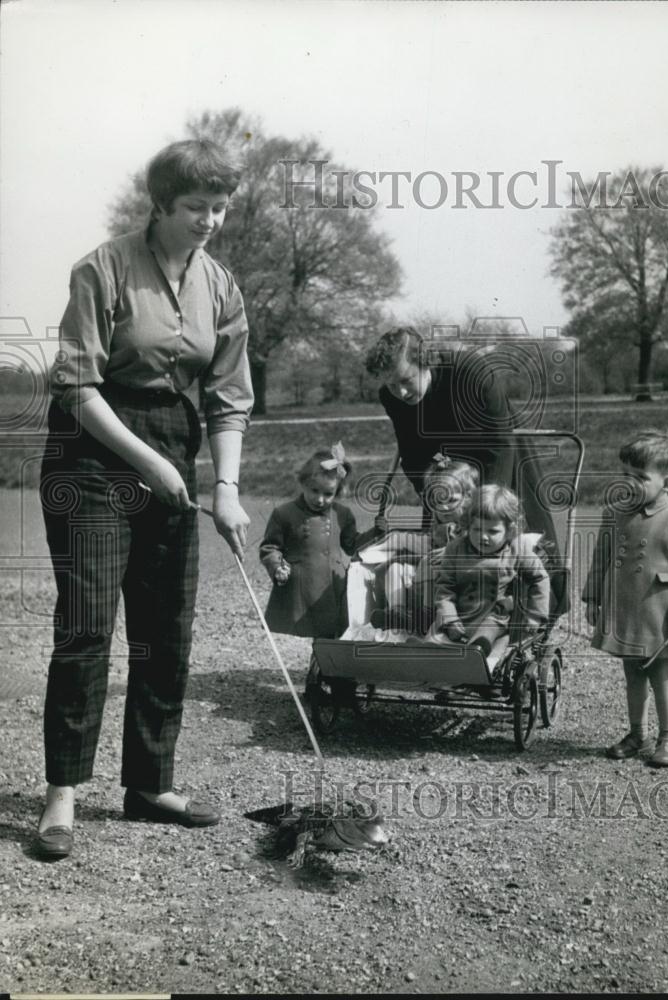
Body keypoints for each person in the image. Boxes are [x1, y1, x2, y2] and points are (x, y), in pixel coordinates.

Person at [36, 139, 254, 860]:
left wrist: (223, 487)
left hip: (173, 438)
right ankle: (63, 795)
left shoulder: (220, 285)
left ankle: (149, 785)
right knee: (89, 625)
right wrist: (151, 465)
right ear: (160, 203)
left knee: (166, 628)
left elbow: (228, 399)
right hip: (93, 447)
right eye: (197, 206)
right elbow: (74, 387)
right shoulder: (101, 268)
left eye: (220, 207)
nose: (211, 220)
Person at [365, 326, 567, 614]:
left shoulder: (471, 373)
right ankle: (445, 617)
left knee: (505, 538)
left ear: (426, 362)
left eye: (406, 380)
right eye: (391, 385)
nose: (401, 391)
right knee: (447, 549)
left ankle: (528, 614)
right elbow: (412, 454)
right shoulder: (393, 398)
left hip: (499, 456)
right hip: (447, 474)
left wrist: (484, 506)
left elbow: (500, 443)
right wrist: (437, 495)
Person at [582, 430, 668, 767]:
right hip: (626, 612)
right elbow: (601, 558)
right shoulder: (615, 513)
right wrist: (593, 599)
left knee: (662, 678)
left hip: (660, 614)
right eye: (625, 475)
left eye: (640, 477)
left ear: (665, 482)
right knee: (632, 676)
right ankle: (638, 734)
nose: (629, 483)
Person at [426, 484, 550, 654]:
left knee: (483, 637)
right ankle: (422, 651)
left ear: (509, 530)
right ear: (468, 525)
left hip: (494, 615)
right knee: (434, 637)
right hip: (460, 613)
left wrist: (535, 615)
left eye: (493, 531)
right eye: (477, 529)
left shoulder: (516, 549)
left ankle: (476, 654)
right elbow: (444, 587)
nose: (483, 536)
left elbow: (540, 578)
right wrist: (449, 618)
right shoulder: (456, 549)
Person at [259, 443, 361, 638]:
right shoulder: (284, 514)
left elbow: (352, 544)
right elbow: (270, 547)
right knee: (315, 626)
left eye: (328, 494)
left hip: (333, 585)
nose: (320, 499)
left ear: (337, 492)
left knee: (334, 627)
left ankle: (326, 662)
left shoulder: (342, 515)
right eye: (314, 490)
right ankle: (320, 662)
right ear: (303, 483)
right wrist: (277, 565)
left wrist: (375, 533)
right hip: (303, 586)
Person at [370, 454, 479, 634]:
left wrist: (450, 553)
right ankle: (398, 613)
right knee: (396, 568)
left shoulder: (473, 525)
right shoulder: (438, 525)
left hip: (458, 583)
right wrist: (392, 540)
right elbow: (426, 545)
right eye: (437, 502)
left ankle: (426, 617)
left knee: (430, 567)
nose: (443, 508)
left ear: (468, 497)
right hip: (428, 581)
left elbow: (479, 550)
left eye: (451, 500)